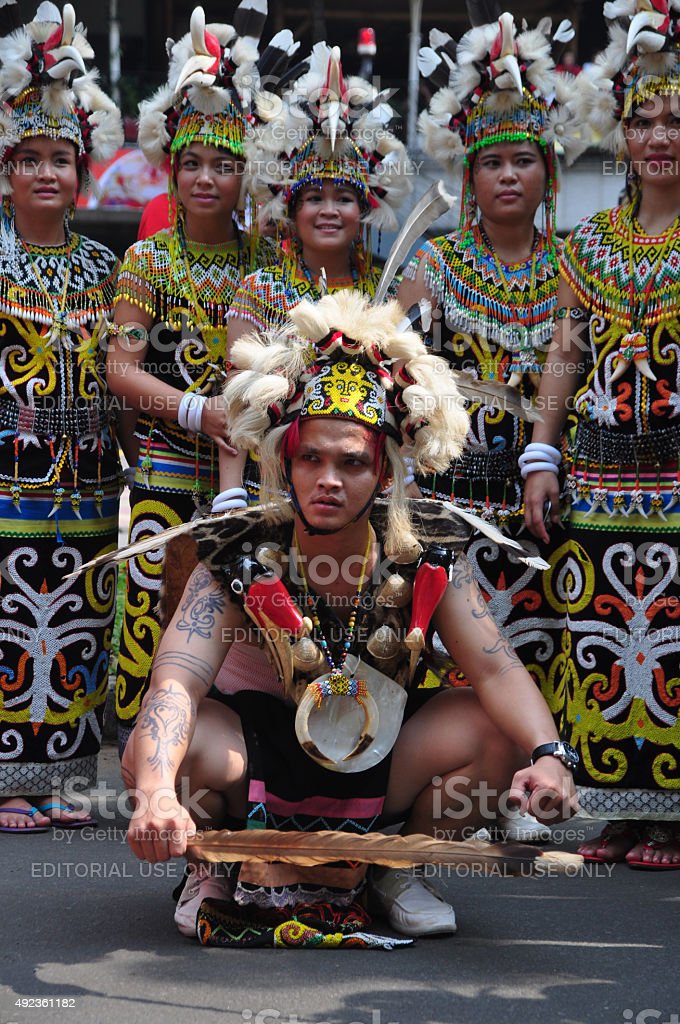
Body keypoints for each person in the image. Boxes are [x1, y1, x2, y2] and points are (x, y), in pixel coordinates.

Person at [121, 290, 578, 946]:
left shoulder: (429, 551)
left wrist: (550, 757)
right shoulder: (236, 548)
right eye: (311, 458)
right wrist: (158, 791)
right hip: (254, 753)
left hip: (378, 751)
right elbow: (176, 681)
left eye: (351, 462)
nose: (328, 479)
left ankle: (399, 867)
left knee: (496, 733)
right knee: (156, 743)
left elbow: (498, 669)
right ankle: (212, 865)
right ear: (283, 461)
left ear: (384, 475)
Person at [396, 12, 587, 840]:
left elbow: (581, 367)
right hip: (449, 504)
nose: (508, 176)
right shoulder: (432, 265)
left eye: (523, 161)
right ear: (468, 175)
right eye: (492, 163)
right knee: (460, 660)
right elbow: (390, 375)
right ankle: (470, 798)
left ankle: (528, 791)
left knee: (539, 645)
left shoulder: (576, 264)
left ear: (548, 168)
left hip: (539, 500)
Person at [107, 4, 298, 751]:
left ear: (245, 172)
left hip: (249, 485)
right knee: (158, 625)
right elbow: (120, 367)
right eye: (193, 163)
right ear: (171, 170)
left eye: (224, 163)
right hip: (163, 474)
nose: (208, 177)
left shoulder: (269, 267)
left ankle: (239, 766)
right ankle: (147, 764)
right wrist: (194, 411)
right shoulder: (147, 261)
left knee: (244, 639)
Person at [523, 1, 680, 868]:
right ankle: (623, 808)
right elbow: (565, 356)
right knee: (606, 637)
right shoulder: (588, 246)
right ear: (620, 131)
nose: (659, 136)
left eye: (676, 120)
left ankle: (675, 815)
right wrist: (542, 455)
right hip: (602, 476)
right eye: (643, 118)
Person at [0, 1, 123, 830]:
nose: (47, 173)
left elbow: (122, 368)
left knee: (76, 619)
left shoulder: (103, 265)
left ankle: (67, 778)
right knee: (10, 627)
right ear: (6, 170)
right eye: (30, 159)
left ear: (82, 173)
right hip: (8, 479)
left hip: (85, 483)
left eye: (61, 160)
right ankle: (11, 782)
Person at [215, 41, 412, 512]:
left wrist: (407, 497)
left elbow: (408, 400)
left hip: (364, 493)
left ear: (364, 210)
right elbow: (237, 403)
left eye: (343, 197)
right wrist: (230, 496)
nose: (328, 210)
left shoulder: (388, 290)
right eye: (313, 198)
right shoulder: (258, 290)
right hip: (273, 490)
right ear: (292, 209)